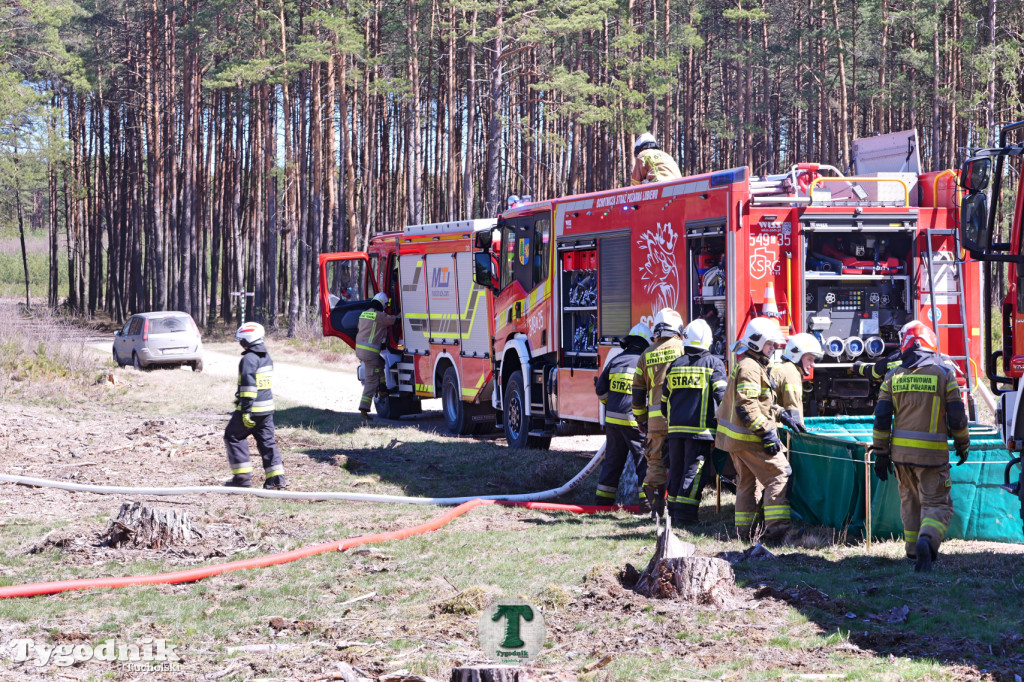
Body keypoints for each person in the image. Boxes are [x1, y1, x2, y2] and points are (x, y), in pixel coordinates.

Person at [870, 320, 970, 572]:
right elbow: (957, 415)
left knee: (910, 502)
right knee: (937, 504)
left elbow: (881, 418)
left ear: (905, 346)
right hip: (932, 456)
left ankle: (914, 552)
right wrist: (962, 443)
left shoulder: (893, 376)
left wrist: (881, 453)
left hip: (901, 457)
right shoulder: (943, 374)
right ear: (931, 344)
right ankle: (927, 540)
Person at [715, 317, 803, 542]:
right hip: (751, 438)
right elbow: (746, 406)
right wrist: (767, 433)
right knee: (780, 475)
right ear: (756, 342)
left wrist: (781, 413)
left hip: (739, 439)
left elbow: (761, 401)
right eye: (769, 344)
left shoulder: (753, 365)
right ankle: (777, 531)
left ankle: (745, 532)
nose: (773, 348)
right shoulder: (750, 367)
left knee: (747, 483)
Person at [660, 319, 727, 525]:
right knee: (695, 472)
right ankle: (685, 516)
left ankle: (672, 512)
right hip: (700, 431)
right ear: (708, 340)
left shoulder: (675, 365)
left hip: (675, 430)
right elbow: (722, 397)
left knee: (677, 470)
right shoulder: (714, 364)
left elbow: (663, 401)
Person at [631, 308, 685, 517]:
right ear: (677, 329)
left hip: (654, 422)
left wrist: (641, 419)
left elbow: (637, 392)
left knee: (654, 464)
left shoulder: (646, 354)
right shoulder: (683, 349)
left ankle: (656, 509)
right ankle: (679, 507)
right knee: (680, 461)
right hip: (680, 418)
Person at [594, 323, 653, 511]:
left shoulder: (616, 360)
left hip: (613, 423)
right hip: (635, 423)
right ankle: (646, 505)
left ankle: (602, 506)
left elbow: (600, 390)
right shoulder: (645, 364)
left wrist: (611, 404)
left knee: (612, 463)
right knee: (643, 463)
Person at [224, 322, 286, 489]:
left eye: (241, 340)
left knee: (233, 436)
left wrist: (245, 411)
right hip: (267, 411)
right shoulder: (266, 357)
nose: (240, 343)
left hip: (252, 410)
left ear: (248, 340)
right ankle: (276, 479)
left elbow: (248, 387)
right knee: (267, 442)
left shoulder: (248, 359)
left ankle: (242, 478)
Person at [355, 292, 401, 419]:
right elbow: (393, 320)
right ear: (381, 304)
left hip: (361, 351)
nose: (385, 308)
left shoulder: (364, 313)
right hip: (370, 354)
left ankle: (382, 388)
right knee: (371, 380)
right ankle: (364, 409)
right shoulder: (379, 315)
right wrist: (401, 315)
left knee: (381, 363)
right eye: (385, 306)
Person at [770, 333, 823, 431]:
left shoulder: (786, 368)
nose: (813, 364)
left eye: (814, 360)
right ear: (796, 356)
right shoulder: (792, 373)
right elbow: (793, 410)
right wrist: (801, 434)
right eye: (809, 359)